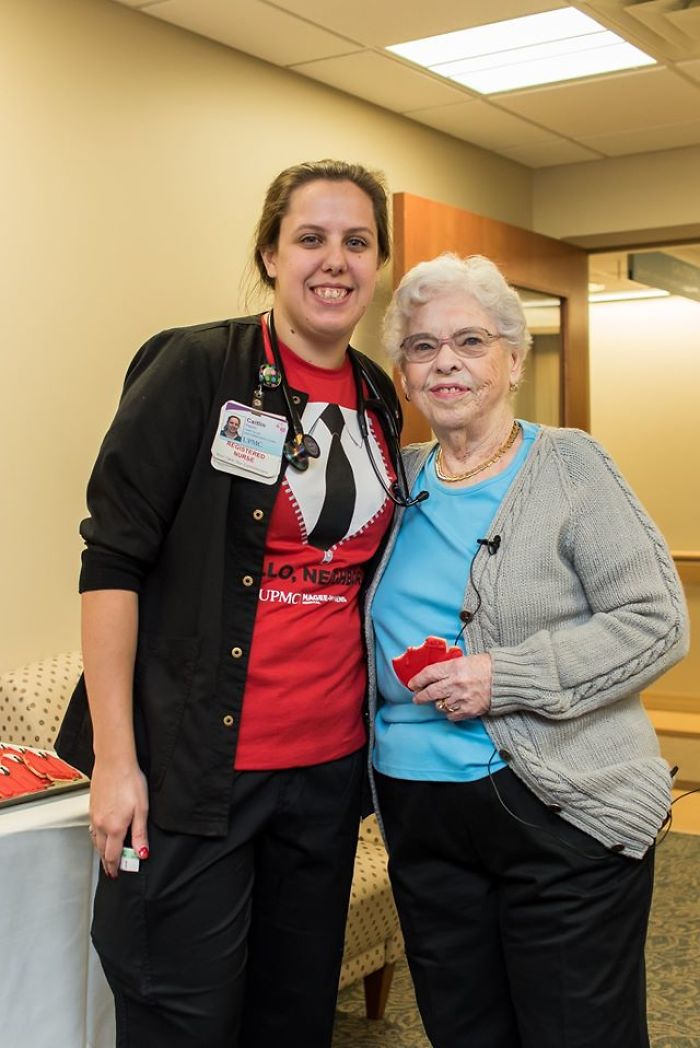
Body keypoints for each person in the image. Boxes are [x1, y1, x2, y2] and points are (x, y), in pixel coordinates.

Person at [56, 159, 405, 1048]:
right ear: (270, 253)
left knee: (291, 1019)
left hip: (324, 776)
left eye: (357, 242)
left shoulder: (376, 395)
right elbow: (113, 560)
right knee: (184, 1018)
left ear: (379, 262)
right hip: (193, 777)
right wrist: (117, 764)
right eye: (311, 238)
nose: (335, 261)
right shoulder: (197, 367)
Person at [366, 252, 689, 1048]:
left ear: (513, 359)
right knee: (463, 1031)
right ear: (403, 376)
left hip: (558, 807)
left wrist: (501, 676)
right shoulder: (390, 481)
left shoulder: (569, 465)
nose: (446, 361)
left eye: (471, 341)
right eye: (421, 346)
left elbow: (656, 619)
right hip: (420, 815)